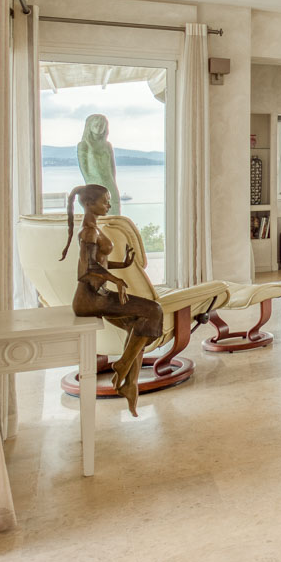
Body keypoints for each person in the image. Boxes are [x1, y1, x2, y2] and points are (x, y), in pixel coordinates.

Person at [60, 184, 160, 415]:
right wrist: (117, 280)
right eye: (104, 201)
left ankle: (130, 384)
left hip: (99, 295)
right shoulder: (88, 232)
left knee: (138, 325)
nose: (108, 204)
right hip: (90, 299)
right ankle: (123, 365)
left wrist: (122, 265)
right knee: (153, 310)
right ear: (88, 204)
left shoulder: (94, 228)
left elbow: (99, 263)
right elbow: (85, 271)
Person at [76, 113, 121, 215]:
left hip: (109, 182)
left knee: (114, 206)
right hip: (94, 184)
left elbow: (112, 167)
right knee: (99, 210)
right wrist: (91, 189)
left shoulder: (107, 145)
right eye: (96, 125)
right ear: (90, 126)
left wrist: (113, 183)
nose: (99, 127)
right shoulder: (83, 145)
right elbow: (85, 171)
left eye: (102, 125)